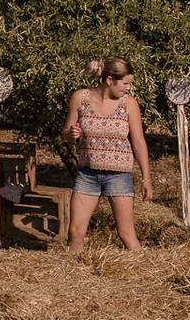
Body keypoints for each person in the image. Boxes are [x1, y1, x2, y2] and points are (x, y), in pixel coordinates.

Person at [62, 57, 153, 252]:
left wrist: (146, 178)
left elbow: (139, 142)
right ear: (110, 80)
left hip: (119, 176)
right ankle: (73, 276)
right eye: (125, 83)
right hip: (87, 174)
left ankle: (143, 270)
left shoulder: (129, 104)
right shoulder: (80, 98)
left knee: (126, 233)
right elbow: (67, 133)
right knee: (76, 232)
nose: (128, 88)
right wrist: (70, 134)